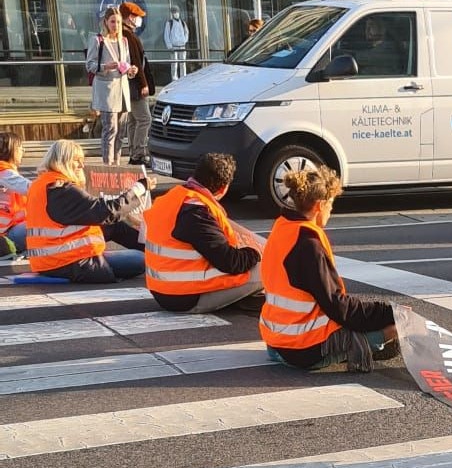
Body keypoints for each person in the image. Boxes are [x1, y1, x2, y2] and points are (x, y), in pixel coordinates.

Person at [259, 165, 399, 371]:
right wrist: (390, 312)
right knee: (394, 329)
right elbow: (338, 307)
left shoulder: (282, 227)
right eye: (331, 205)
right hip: (303, 349)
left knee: (370, 319)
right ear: (319, 205)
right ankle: (372, 343)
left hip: (275, 340)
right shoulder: (309, 244)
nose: (331, 211)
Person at [143, 153, 263, 313]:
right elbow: (230, 262)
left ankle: (238, 297)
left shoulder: (174, 198)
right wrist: (256, 253)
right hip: (184, 296)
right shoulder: (198, 212)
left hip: (162, 289)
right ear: (224, 187)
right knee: (269, 267)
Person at [25, 140, 148, 283]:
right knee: (140, 260)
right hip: (68, 261)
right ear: (62, 161)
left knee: (113, 226)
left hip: (49, 259)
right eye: (77, 160)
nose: (82, 165)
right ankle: (153, 253)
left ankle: (151, 248)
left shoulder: (43, 184)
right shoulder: (62, 189)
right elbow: (106, 212)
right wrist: (138, 189)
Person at [86, 6, 135, 166]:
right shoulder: (97, 40)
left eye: (119, 22)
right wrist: (106, 66)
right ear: (106, 22)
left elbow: (126, 64)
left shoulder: (124, 41)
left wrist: (131, 70)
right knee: (110, 129)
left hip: (122, 90)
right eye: (113, 22)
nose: (116, 25)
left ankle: (117, 163)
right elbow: (90, 65)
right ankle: (108, 165)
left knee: (121, 131)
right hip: (107, 90)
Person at [118, 2, 155, 167]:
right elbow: (137, 64)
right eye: (137, 16)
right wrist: (144, 83)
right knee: (145, 119)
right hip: (135, 85)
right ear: (130, 17)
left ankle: (134, 153)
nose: (139, 20)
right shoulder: (130, 37)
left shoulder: (123, 35)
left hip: (128, 86)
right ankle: (139, 153)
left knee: (133, 120)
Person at [0, 132, 30, 257]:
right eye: (20, 148)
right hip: (6, 236)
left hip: (10, 231)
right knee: (44, 225)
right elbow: (34, 189)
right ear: (10, 150)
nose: (23, 151)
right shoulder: (5, 174)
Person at [165, 6, 190, 81]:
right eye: (174, 12)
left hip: (182, 45)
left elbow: (186, 32)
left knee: (183, 63)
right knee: (174, 64)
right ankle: (174, 78)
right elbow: (166, 35)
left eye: (177, 12)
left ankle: (183, 78)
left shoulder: (182, 22)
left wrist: (184, 40)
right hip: (174, 46)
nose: (176, 13)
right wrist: (169, 46)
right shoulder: (169, 23)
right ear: (172, 13)